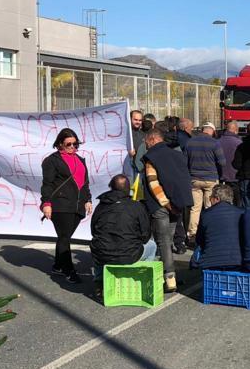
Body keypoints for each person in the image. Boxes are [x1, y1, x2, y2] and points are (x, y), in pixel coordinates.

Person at [142, 127, 194, 292]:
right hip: (178, 204)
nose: (145, 145)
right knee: (169, 241)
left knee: (162, 241)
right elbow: (185, 179)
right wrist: (177, 205)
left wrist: (166, 203)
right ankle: (170, 275)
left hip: (161, 205)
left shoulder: (151, 157)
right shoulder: (178, 155)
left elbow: (153, 183)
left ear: (152, 140)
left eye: (146, 142)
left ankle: (169, 278)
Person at [40, 129, 93, 283]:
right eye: (68, 144)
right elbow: (47, 184)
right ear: (60, 144)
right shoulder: (52, 161)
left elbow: (85, 183)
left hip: (77, 204)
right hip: (60, 204)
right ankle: (68, 270)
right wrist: (47, 203)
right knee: (64, 237)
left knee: (65, 236)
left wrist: (88, 199)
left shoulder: (80, 159)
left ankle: (57, 264)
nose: (72, 147)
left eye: (75, 144)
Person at [89, 174, 154, 291]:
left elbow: (94, 231)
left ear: (111, 187)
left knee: (97, 246)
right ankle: (143, 281)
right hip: (130, 253)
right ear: (129, 188)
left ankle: (99, 282)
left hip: (104, 254)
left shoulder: (101, 206)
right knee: (152, 246)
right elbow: (145, 235)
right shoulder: (137, 206)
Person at [185, 122, 226, 243]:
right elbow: (222, 162)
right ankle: (210, 233)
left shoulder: (190, 142)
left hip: (194, 179)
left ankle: (192, 234)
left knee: (195, 208)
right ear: (212, 131)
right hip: (210, 179)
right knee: (210, 207)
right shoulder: (215, 143)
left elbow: (184, 161)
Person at [194, 184, 244, 271]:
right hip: (237, 262)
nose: (210, 201)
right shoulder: (241, 212)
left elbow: (199, 240)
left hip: (210, 263)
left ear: (217, 199)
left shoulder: (206, 214)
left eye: (210, 198)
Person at [218, 121, 242, 188]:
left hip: (220, 175)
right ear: (236, 130)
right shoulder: (239, 143)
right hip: (234, 176)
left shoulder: (217, 142)